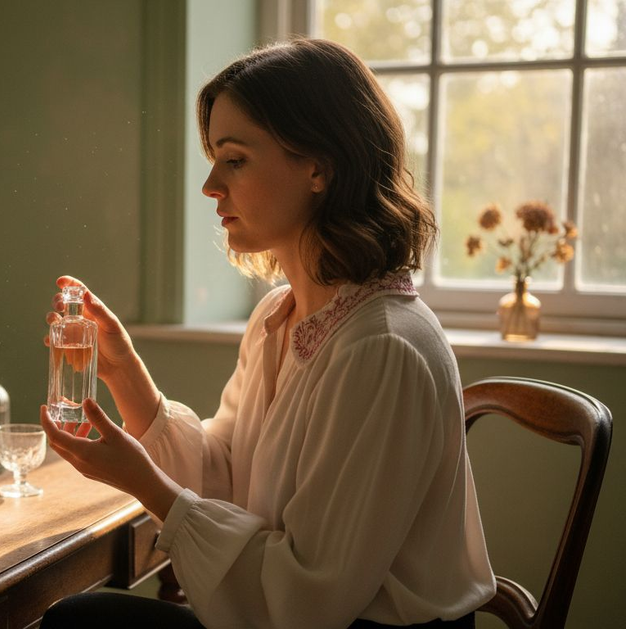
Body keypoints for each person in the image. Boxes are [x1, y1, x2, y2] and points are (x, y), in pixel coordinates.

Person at [38, 38, 495, 629]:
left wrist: (145, 484)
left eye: (234, 160)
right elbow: (226, 475)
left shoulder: (382, 347)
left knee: (80, 621)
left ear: (318, 168)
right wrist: (125, 373)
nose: (209, 186)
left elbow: (311, 600)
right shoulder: (281, 316)